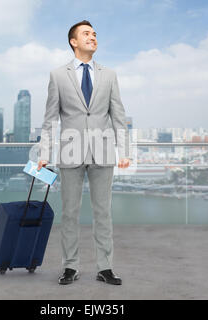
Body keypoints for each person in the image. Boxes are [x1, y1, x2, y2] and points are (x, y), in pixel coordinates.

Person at [36, 20, 133, 285]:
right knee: (69, 213)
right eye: (86, 34)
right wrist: (45, 152)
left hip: (103, 153)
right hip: (70, 153)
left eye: (95, 34)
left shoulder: (110, 75)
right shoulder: (57, 75)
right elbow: (49, 119)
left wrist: (124, 151)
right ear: (73, 41)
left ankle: (105, 267)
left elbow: (118, 115)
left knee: (104, 212)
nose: (93, 37)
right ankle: (70, 266)